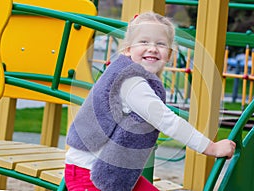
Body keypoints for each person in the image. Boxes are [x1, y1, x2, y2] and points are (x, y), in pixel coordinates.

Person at [65, 12, 236, 191]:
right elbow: (167, 121)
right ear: (128, 49)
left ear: (169, 54)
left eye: (160, 44)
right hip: (89, 175)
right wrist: (211, 148)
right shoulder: (131, 82)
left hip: (112, 173)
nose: (152, 48)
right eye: (144, 41)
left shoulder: (133, 75)